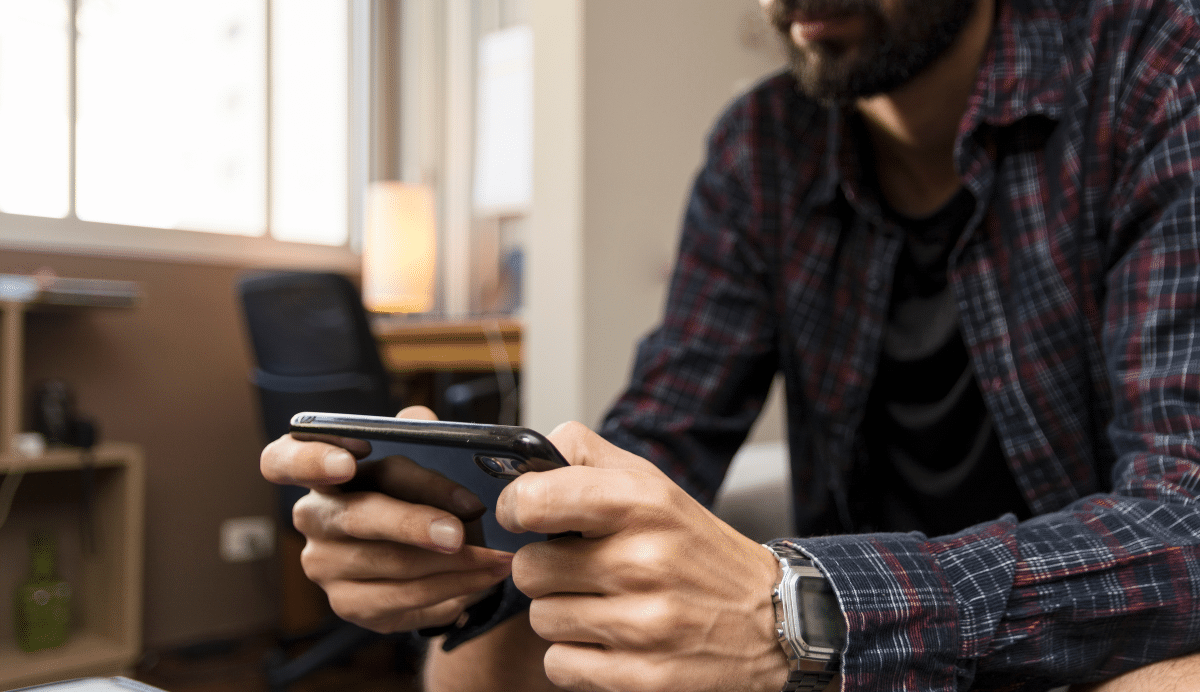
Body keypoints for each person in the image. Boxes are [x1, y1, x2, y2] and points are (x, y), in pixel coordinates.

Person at [259, 0, 1200, 689]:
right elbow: (665, 434)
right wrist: (467, 537)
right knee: (488, 654)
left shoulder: (1155, 65)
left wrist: (810, 607)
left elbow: (1184, 514)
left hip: (1094, 624)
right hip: (856, 636)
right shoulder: (763, 144)